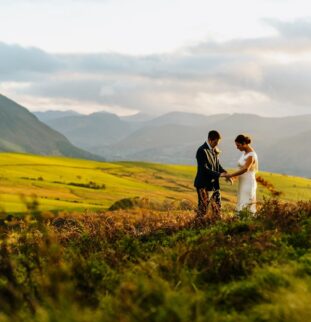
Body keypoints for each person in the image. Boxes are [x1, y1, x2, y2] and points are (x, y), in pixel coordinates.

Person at [194, 130, 229, 222]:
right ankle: (197, 225)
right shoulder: (201, 150)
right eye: (215, 142)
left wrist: (225, 172)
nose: (216, 145)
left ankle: (216, 224)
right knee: (203, 208)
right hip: (203, 184)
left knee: (217, 206)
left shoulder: (215, 150)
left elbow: (217, 165)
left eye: (218, 143)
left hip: (214, 184)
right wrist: (219, 174)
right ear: (209, 140)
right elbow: (203, 169)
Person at [224, 134, 258, 214]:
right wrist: (233, 178)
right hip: (242, 183)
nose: (237, 147)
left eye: (238, 145)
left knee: (246, 202)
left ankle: (247, 221)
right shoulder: (244, 153)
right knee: (241, 201)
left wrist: (231, 175)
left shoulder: (251, 155)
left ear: (244, 143)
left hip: (248, 183)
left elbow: (245, 169)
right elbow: (240, 169)